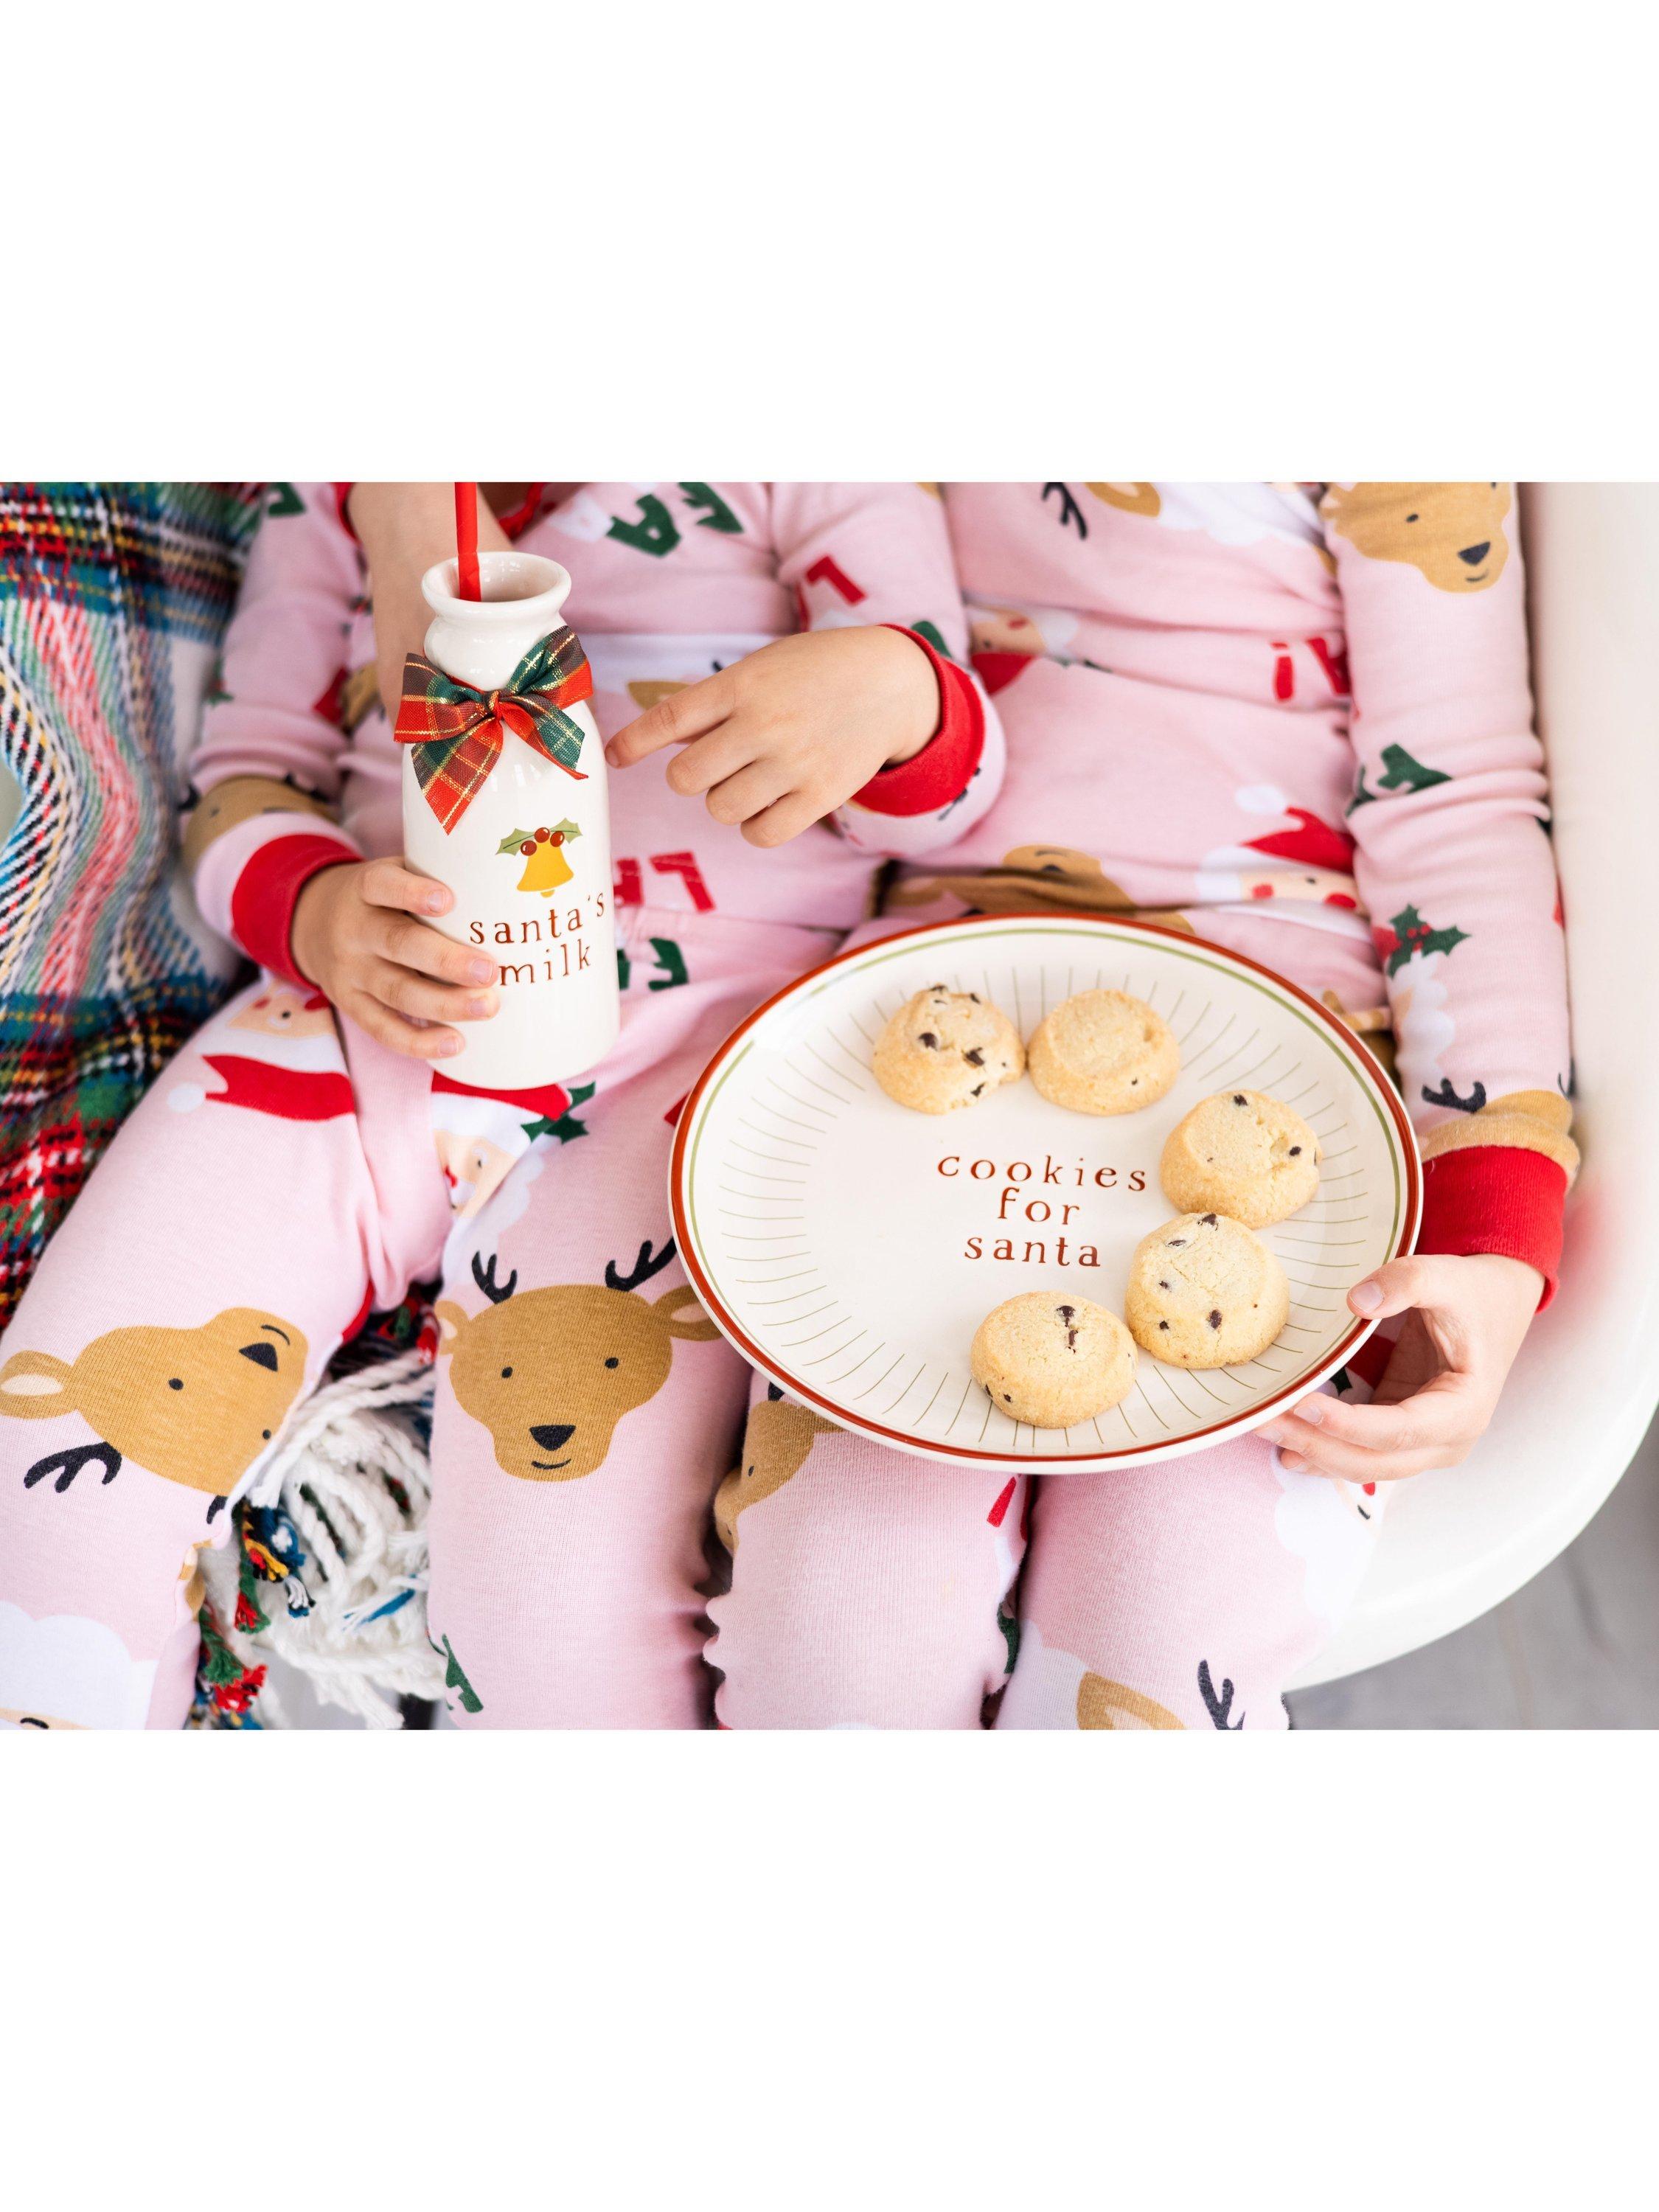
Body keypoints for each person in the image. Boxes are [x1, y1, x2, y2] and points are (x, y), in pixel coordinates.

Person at [0, 480, 1001, 1730]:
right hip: (354, 1024)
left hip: (693, 1051)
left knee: (545, 1603)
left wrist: (895, 696)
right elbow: (245, 782)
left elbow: (957, 796)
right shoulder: (336, 493)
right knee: (52, 1480)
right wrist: (313, 911)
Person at [705, 481, 1576, 1729]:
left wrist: (1489, 1218)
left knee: (1161, 1653)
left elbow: (1456, 804)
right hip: (941, 1006)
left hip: (1288, 1046)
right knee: (833, 1632)